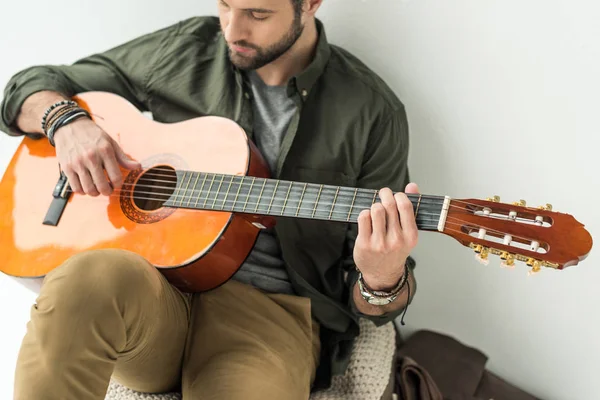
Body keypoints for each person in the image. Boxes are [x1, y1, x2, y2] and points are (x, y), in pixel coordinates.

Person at [0, 0, 420, 399]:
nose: (233, 30)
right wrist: (66, 122)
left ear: (310, 3)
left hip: (267, 317)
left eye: (257, 13)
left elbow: (372, 306)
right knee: (84, 277)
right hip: (156, 285)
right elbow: (29, 87)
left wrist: (382, 278)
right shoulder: (187, 49)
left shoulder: (371, 111)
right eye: (225, 5)